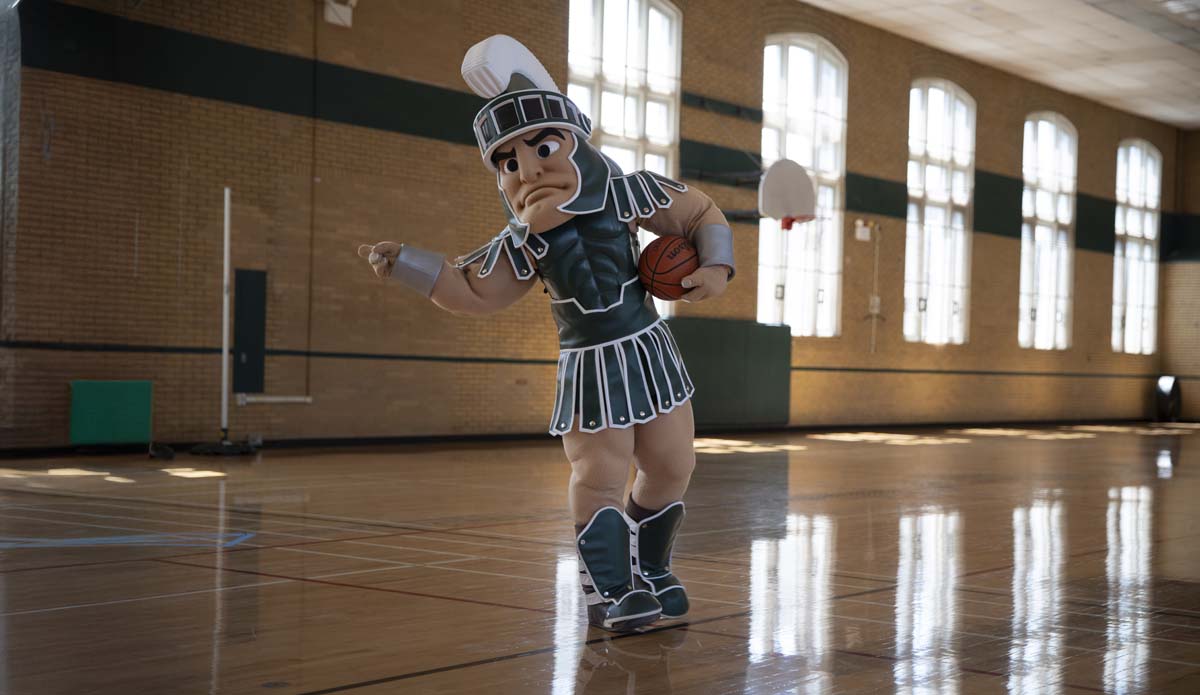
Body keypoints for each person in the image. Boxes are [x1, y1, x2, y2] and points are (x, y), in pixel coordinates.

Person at [357, 35, 734, 632]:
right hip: (589, 364)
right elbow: (473, 290)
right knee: (600, 473)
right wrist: (407, 263)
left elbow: (700, 212)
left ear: (578, 142)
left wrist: (714, 267)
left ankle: (653, 569)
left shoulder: (628, 190)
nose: (529, 168)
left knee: (672, 464)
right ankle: (611, 590)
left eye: (543, 147)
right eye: (508, 163)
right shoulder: (522, 240)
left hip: (649, 349)